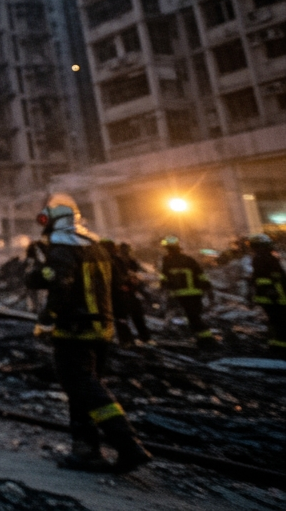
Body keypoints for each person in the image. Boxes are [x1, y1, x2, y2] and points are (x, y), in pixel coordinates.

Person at [26, 194, 151, 473]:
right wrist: (119, 324)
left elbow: (61, 285)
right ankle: (85, 451)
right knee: (82, 389)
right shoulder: (98, 248)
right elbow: (117, 289)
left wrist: (46, 321)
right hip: (101, 330)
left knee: (84, 387)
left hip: (74, 330)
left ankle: (128, 444)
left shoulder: (62, 249)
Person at [158, 236, 215, 348]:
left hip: (181, 294)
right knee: (194, 317)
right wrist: (207, 288)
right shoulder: (189, 260)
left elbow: (164, 278)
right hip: (195, 293)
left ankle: (207, 341)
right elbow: (201, 275)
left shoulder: (167, 261)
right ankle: (203, 339)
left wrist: (163, 288)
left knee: (193, 318)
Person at [246, 234, 286, 359]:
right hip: (276, 296)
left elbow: (258, 278)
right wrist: (273, 291)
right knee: (280, 321)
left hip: (270, 295)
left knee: (275, 320)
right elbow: (274, 277)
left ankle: (276, 344)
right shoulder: (265, 258)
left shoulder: (259, 258)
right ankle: (281, 346)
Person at [106, 241, 152, 345]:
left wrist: (131, 283)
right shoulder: (114, 261)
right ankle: (132, 339)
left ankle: (129, 340)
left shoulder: (119, 260)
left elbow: (131, 275)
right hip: (122, 293)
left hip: (123, 293)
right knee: (126, 317)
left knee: (126, 317)